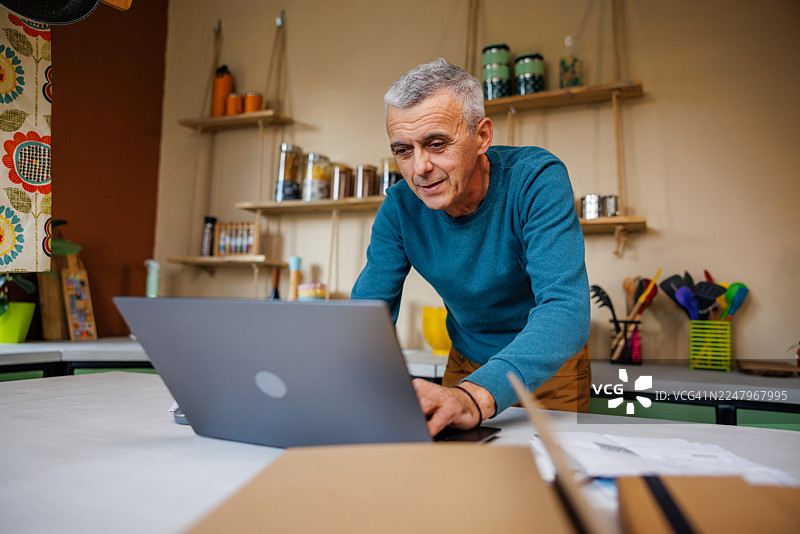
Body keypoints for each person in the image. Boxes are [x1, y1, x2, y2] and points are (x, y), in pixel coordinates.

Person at [351, 58, 590, 437]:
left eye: (436, 143)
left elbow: (566, 310)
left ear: (482, 136)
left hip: (546, 367)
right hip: (465, 365)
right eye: (404, 150)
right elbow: (367, 313)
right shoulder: (399, 206)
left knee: (542, 483)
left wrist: (475, 397)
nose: (420, 168)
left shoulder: (536, 179)